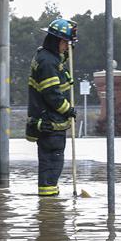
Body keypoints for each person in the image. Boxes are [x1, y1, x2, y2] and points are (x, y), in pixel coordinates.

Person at [26, 18, 78, 196]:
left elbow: (60, 62)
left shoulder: (49, 58)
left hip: (51, 125)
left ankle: (51, 207)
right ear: (58, 41)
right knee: (51, 168)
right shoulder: (48, 62)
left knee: (52, 169)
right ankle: (49, 210)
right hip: (50, 125)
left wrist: (68, 52)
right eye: (66, 43)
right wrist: (68, 110)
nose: (67, 46)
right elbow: (52, 95)